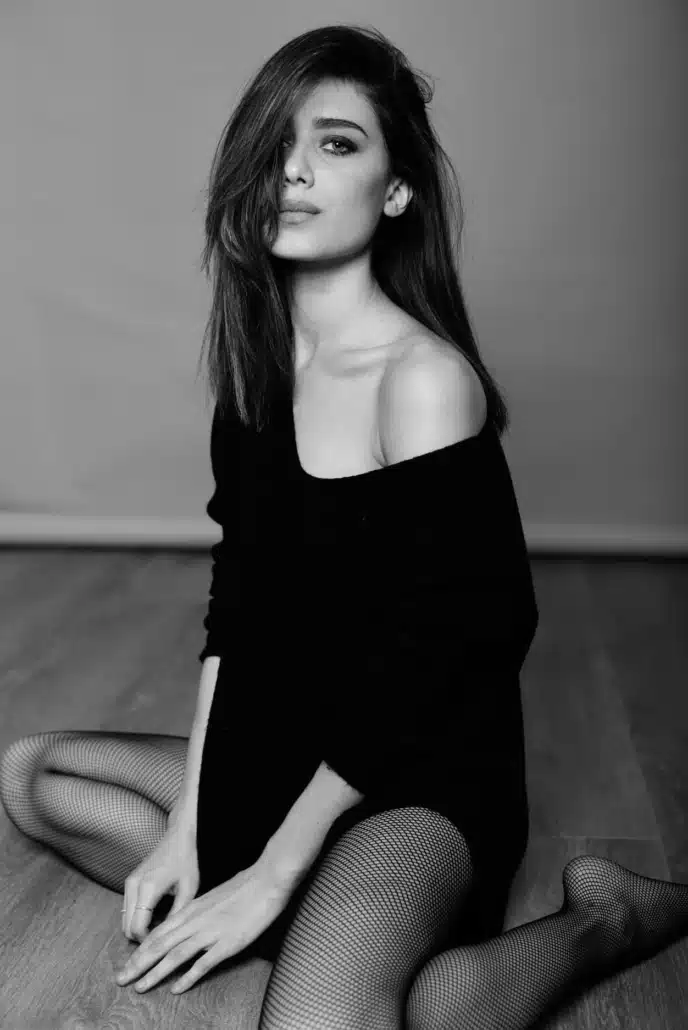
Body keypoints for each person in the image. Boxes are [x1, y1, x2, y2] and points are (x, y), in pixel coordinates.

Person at [2, 23, 687, 1030]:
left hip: (410, 774)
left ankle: (602, 920)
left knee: (328, 1019)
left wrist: (277, 867)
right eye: (276, 145)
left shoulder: (423, 380)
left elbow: (468, 638)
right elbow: (234, 606)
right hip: (282, 743)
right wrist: (190, 827)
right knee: (34, 775)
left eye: (336, 143)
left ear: (396, 189)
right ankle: (327, 923)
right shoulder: (258, 374)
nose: (293, 171)